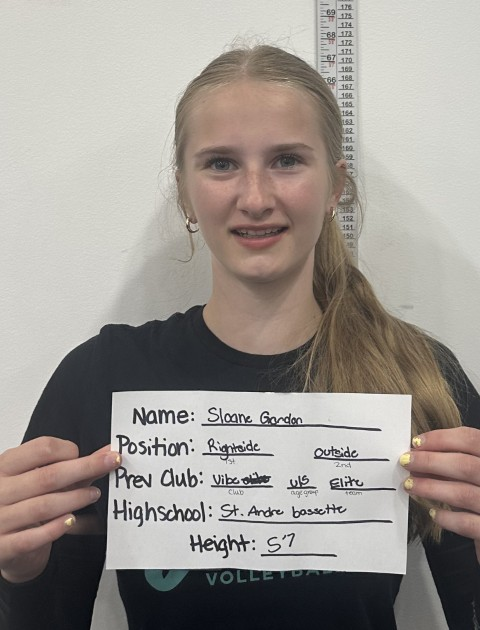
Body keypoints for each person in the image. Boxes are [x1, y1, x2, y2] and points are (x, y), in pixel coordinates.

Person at [0, 43, 479, 630]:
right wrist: (18, 572)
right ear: (185, 191)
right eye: (221, 164)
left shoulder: (417, 373)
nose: (255, 198)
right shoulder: (101, 376)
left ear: (334, 188)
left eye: (287, 160)